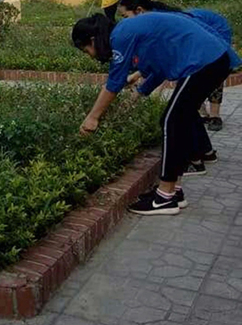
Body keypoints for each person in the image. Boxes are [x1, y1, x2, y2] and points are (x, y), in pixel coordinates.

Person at [72, 12, 241, 216]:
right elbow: (158, 69)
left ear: (92, 39)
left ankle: (164, 197)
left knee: (172, 122)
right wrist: (139, 92)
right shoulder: (129, 32)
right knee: (179, 121)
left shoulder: (120, 35)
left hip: (204, 61)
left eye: (86, 50)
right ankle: (174, 191)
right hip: (210, 60)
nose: (90, 54)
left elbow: (114, 82)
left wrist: (93, 117)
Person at [119, 0, 235, 137]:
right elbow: (162, 60)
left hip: (215, 33)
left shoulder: (157, 22)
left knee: (172, 117)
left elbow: (162, 66)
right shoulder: (151, 20)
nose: (123, 22)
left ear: (139, 10)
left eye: (124, 16)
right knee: (187, 99)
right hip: (198, 48)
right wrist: (137, 77)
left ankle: (215, 115)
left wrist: (139, 92)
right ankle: (205, 147)